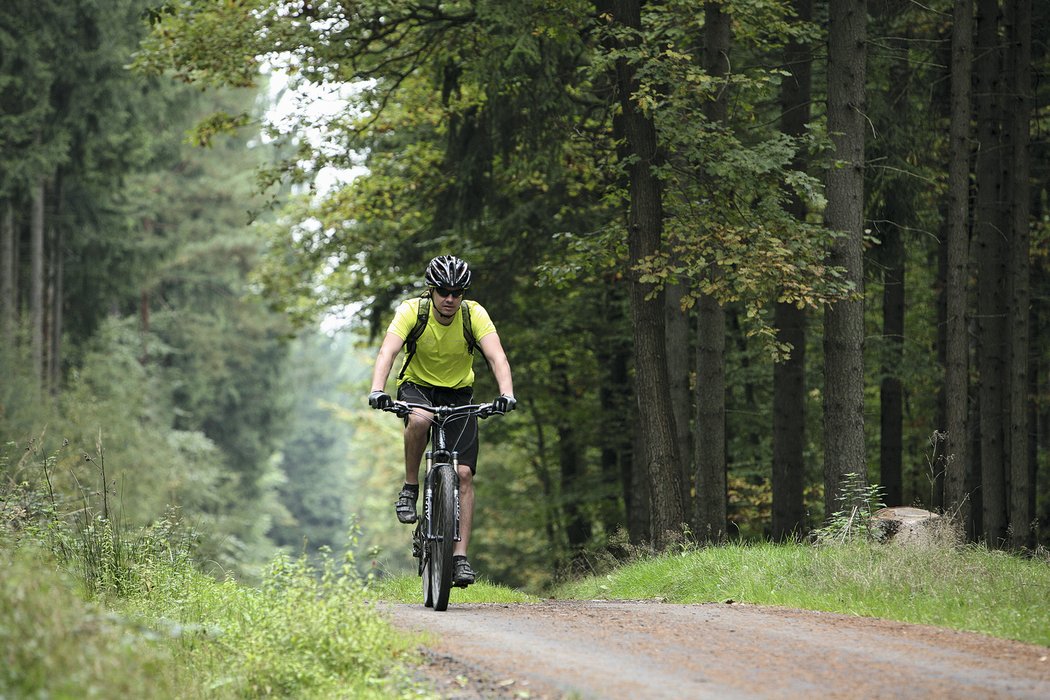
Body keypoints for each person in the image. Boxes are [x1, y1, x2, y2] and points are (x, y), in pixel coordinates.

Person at [367, 255, 515, 587]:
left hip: (459, 393)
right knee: (419, 420)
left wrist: (506, 393)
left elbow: (496, 355)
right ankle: (410, 488)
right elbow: (387, 352)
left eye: (457, 292)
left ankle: (459, 558)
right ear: (431, 291)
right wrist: (378, 389)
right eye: (444, 291)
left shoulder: (473, 315)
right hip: (418, 387)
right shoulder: (411, 312)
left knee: (463, 474)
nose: (450, 299)